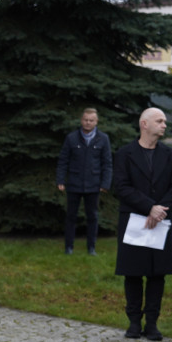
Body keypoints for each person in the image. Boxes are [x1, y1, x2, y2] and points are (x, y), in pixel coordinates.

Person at [113, 107, 172, 341]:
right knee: (133, 273)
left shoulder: (169, 155)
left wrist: (159, 210)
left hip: (160, 221)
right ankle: (134, 322)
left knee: (157, 274)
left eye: (164, 121)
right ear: (144, 124)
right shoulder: (125, 154)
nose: (164, 125)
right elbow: (121, 187)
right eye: (159, 121)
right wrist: (148, 207)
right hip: (134, 220)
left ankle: (151, 323)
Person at [56, 108, 112, 255]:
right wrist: (60, 180)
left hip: (94, 185)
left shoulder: (103, 139)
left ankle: (91, 248)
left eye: (91, 120)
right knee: (71, 216)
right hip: (74, 183)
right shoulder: (71, 138)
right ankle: (69, 247)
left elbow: (107, 163)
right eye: (86, 120)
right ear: (81, 120)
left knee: (92, 217)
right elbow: (63, 161)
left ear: (96, 122)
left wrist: (105, 183)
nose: (88, 123)